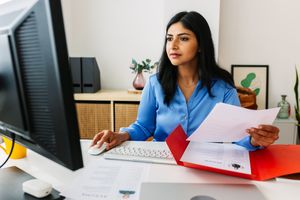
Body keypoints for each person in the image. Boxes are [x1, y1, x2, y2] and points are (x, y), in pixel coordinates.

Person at [91, 11, 279, 151]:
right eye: (169, 38)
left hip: (207, 165)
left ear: (200, 45)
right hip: (162, 161)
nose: (173, 45)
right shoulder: (154, 84)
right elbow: (143, 127)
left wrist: (256, 140)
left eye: (183, 39)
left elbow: (238, 138)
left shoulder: (223, 88)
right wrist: (122, 135)